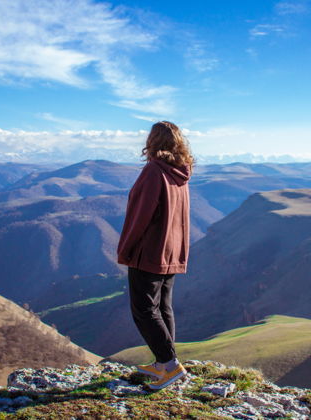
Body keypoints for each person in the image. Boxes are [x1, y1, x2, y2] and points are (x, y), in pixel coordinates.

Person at [117, 121, 193, 390]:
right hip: (172, 250)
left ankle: (170, 366)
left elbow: (140, 215)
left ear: (152, 141)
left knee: (144, 309)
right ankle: (164, 363)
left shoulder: (153, 171)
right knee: (163, 307)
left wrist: (125, 247)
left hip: (149, 251)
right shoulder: (180, 173)